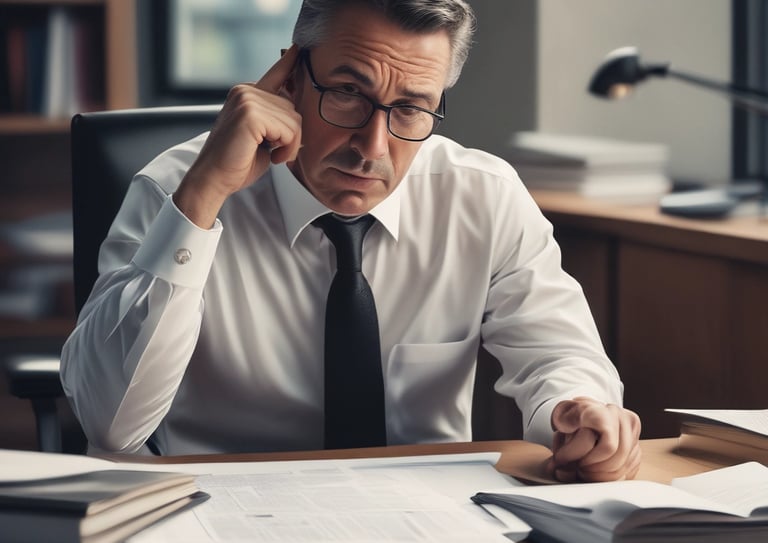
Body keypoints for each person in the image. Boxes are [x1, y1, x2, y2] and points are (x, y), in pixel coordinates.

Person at [61, 0, 641, 482]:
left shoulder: (483, 195)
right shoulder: (176, 188)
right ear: (289, 77)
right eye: (347, 94)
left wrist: (578, 408)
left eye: (411, 108)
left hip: (422, 512)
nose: (373, 147)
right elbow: (111, 423)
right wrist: (204, 197)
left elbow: (560, 353)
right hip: (222, 503)